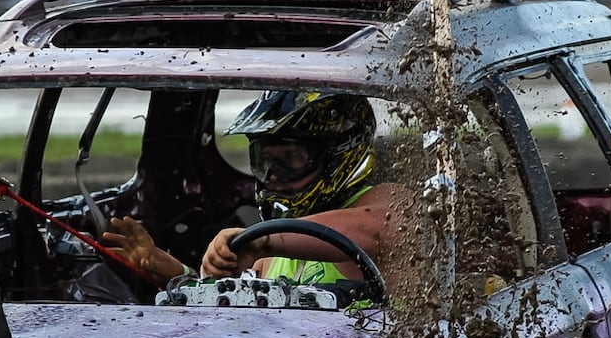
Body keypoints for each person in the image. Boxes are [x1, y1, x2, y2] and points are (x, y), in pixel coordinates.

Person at [102, 92, 405, 286]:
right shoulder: (267, 257)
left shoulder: (389, 203)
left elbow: (377, 231)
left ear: (338, 155)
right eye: (264, 162)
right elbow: (235, 313)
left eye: (290, 160)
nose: (271, 177)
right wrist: (173, 272)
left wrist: (261, 240)